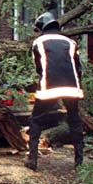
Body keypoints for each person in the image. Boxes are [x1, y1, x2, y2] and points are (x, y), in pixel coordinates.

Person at [25, 11, 85, 171]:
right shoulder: (71, 42)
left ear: (42, 27)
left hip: (48, 88)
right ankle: (79, 161)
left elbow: (39, 68)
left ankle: (32, 159)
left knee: (36, 120)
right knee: (74, 120)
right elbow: (78, 68)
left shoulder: (39, 42)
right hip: (72, 88)